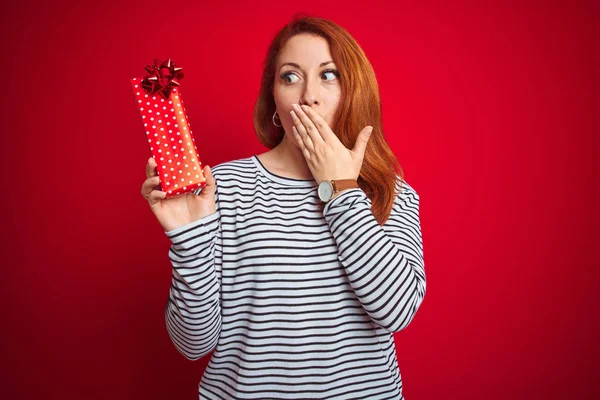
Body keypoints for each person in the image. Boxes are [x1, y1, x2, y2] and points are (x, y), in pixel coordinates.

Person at [141, 13, 426, 400]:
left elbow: (396, 311)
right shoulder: (222, 187)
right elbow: (193, 344)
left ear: (352, 90)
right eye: (290, 76)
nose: (308, 95)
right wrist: (188, 243)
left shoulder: (390, 192)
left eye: (329, 74)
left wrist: (341, 190)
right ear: (274, 97)